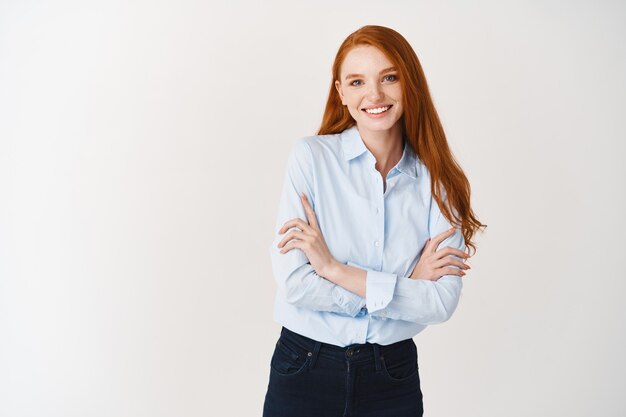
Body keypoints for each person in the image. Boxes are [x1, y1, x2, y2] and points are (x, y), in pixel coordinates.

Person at [262, 25, 486, 417]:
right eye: (357, 81)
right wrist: (403, 289)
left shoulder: (437, 179)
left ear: (408, 84)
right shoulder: (311, 159)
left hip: (391, 376)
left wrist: (332, 269)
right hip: (305, 367)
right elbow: (296, 284)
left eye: (389, 77)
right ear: (341, 93)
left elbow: (440, 303)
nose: (375, 95)